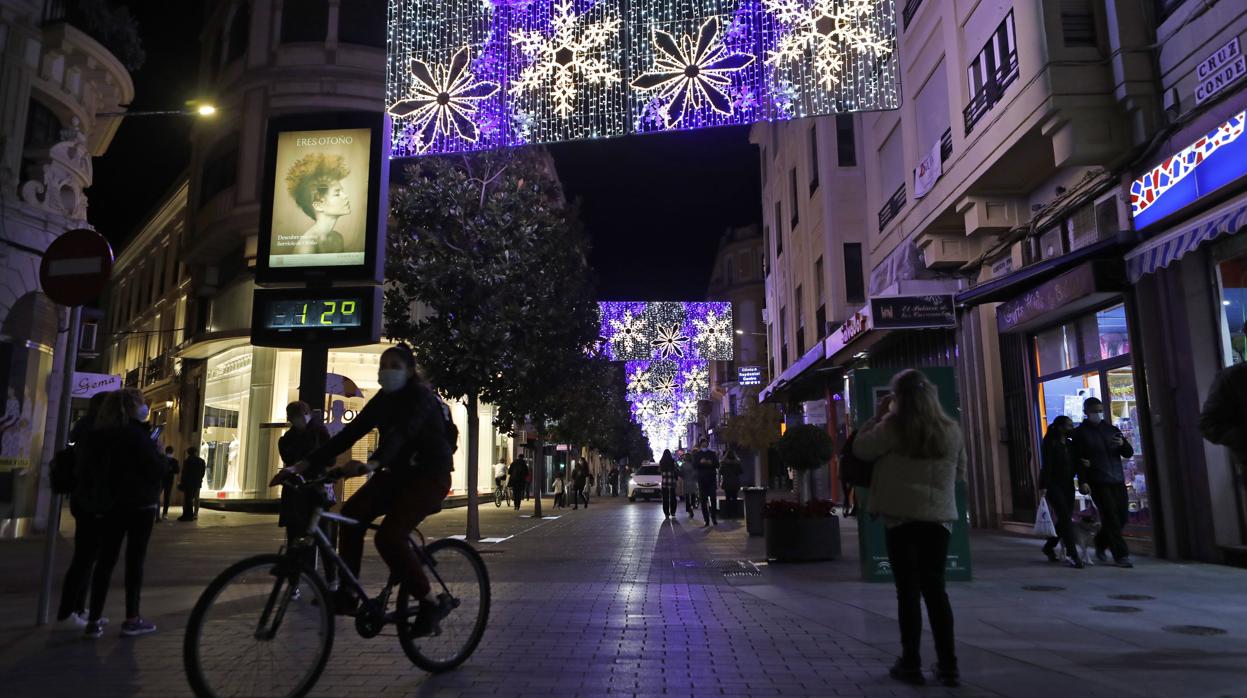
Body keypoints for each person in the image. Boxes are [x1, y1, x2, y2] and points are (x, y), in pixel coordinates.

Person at [274, 344, 454, 635]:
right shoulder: (383, 399)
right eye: (383, 366)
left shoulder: (421, 398)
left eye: (395, 366)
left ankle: (431, 602)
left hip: (430, 476)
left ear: (410, 371)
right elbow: (350, 433)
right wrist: (303, 464)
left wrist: (373, 463)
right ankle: (348, 593)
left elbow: (403, 433)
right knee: (351, 514)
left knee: (389, 537)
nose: (387, 371)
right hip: (396, 474)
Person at [854, 369, 965, 687]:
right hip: (938, 520)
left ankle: (911, 663)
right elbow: (960, 472)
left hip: (901, 519)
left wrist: (876, 417)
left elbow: (862, 449)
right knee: (936, 590)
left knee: (908, 593)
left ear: (898, 397)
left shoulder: (892, 427)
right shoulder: (950, 430)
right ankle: (949, 666)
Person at [83, 388, 165, 638]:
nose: (145, 407)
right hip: (140, 504)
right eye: (141, 403)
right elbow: (155, 469)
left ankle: (93, 619)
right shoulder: (137, 435)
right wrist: (159, 453)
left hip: (110, 505)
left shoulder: (101, 435)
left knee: (105, 562)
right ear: (132, 407)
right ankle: (132, 617)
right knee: (134, 562)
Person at [56, 391, 110, 628]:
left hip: (86, 500)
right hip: (91, 501)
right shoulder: (93, 432)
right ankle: (68, 612)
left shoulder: (86, 428)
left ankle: (78, 608)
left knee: (87, 558)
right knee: (85, 559)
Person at [277, 400, 335, 587]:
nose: (297, 420)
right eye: (294, 417)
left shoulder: (318, 432)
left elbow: (330, 460)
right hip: (298, 490)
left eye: (299, 416)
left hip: (314, 490)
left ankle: (329, 581)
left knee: (321, 537)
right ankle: (296, 583)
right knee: (297, 538)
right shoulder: (288, 439)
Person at [1072, 397, 1135, 568]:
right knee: (1111, 517)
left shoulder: (1111, 429)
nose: (1098, 414)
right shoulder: (1080, 434)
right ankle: (1121, 555)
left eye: (1100, 410)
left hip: (1117, 478)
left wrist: (1122, 444)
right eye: (1094, 411)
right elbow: (1079, 460)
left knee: (1122, 517)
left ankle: (1100, 542)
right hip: (1098, 480)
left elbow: (1128, 452)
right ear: (1086, 412)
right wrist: (1083, 481)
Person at [1038, 416, 1083, 568]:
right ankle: (1072, 554)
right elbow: (1047, 465)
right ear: (1060, 427)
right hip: (1053, 485)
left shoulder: (1070, 444)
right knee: (1065, 518)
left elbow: (1075, 463)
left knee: (1065, 519)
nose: (1071, 428)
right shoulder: (1050, 443)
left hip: (1068, 485)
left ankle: (1049, 546)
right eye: (1068, 426)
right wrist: (1044, 486)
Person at [840, 395, 894, 517]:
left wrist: (877, 418)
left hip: (898, 506)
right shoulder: (935, 429)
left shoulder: (890, 430)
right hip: (932, 511)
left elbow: (861, 448)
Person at [286, 153, 350, 255]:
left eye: (342, 191)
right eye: (337, 193)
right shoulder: (307, 247)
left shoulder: (338, 238)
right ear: (318, 205)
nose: (346, 196)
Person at [692, 439, 720, 527]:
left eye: (706, 444)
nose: (705, 446)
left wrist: (710, 463)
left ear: (708, 444)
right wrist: (701, 462)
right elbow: (694, 465)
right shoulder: (697, 454)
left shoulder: (712, 454)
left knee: (713, 499)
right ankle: (706, 520)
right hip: (702, 480)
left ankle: (714, 518)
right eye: (703, 444)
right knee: (703, 501)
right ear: (700, 445)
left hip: (711, 479)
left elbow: (717, 464)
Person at [179, 447, 206, 521]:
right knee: (196, 498)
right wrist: (199, 479)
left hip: (188, 483)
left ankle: (186, 514)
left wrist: (182, 482)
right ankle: (195, 514)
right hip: (197, 482)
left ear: (188, 453)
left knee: (187, 498)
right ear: (196, 452)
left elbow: (184, 473)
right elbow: (203, 473)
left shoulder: (187, 461)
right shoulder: (201, 461)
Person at [720, 449, 743, 515]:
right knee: (735, 497)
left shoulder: (724, 464)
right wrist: (737, 458)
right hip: (735, 483)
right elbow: (740, 471)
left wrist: (723, 459)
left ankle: (728, 513)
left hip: (727, 483)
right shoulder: (737, 464)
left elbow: (721, 472)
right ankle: (735, 512)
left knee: (727, 498)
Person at [159, 446, 179, 521]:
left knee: (163, 497)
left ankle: (161, 513)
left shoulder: (173, 461)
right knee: (165, 497)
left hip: (164, 480)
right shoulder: (164, 459)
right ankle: (163, 513)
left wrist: (171, 469)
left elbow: (177, 471)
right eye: (169, 452)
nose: (169, 453)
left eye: (170, 452)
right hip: (165, 480)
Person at [659, 450, 679, 518]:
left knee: (665, 498)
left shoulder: (661, 462)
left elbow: (660, 471)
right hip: (672, 482)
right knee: (673, 497)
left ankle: (666, 513)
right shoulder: (673, 461)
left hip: (664, 482)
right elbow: (676, 470)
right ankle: (673, 512)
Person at [680, 450, 698, 517]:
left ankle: (688, 509)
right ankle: (692, 506)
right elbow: (696, 473)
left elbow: (681, 474)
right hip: (693, 482)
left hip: (686, 482)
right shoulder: (694, 465)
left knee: (687, 497)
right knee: (693, 495)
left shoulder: (683, 465)